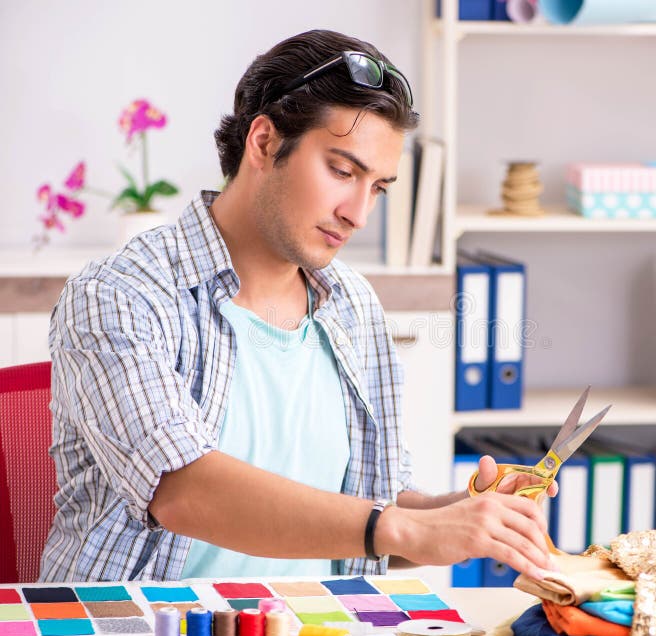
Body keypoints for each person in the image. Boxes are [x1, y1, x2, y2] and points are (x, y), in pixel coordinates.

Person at [41, 29, 556, 582]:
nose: (359, 213)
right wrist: (403, 527)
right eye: (342, 171)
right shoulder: (121, 294)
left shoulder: (353, 305)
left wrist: (460, 517)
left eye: (378, 187)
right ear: (263, 143)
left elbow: (374, 512)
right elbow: (182, 491)